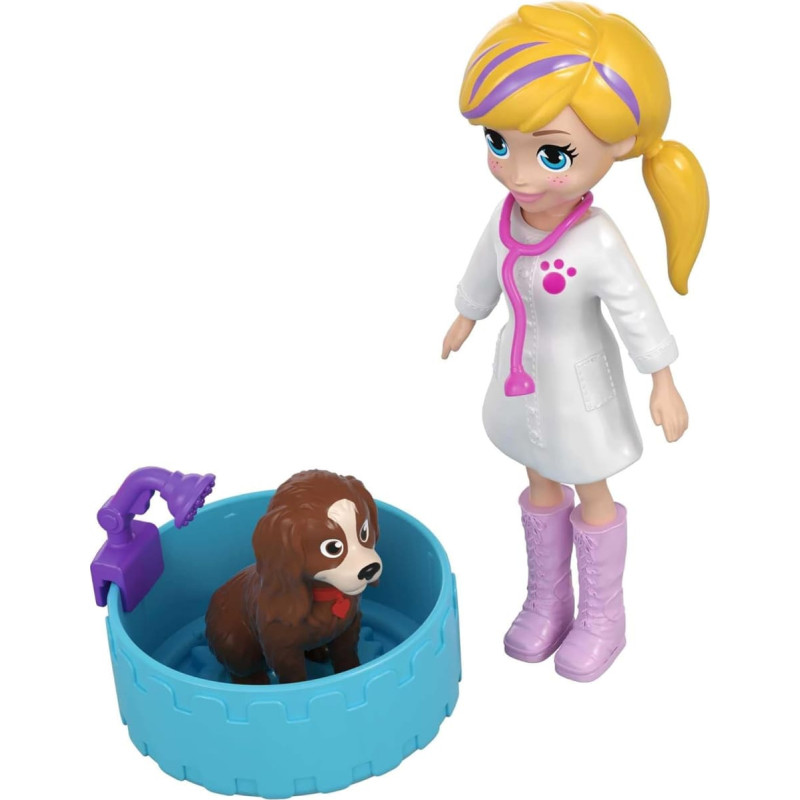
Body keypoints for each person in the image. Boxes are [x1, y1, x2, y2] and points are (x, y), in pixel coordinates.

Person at [442, 2, 708, 681]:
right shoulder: (507, 216)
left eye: (551, 154)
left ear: (618, 146)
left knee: (590, 487)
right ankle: (547, 599)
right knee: (537, 477)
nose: (518, 173)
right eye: (498, 143)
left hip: (579, 386)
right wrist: (467, 316)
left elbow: (636, 308)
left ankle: (603, 617)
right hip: (518, 377)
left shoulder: (597, 240)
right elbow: (485, 270)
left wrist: (663, 378)